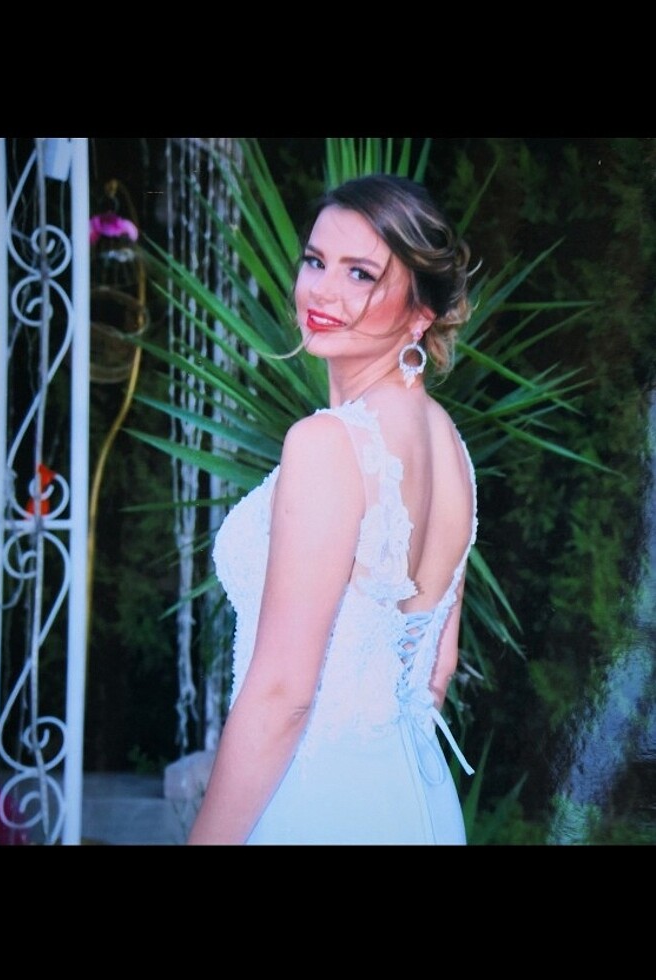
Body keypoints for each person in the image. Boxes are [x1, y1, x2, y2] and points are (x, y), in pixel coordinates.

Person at [187, 173, 477, 845]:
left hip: (314, 803)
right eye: (316, 261)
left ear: (420, 312)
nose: (322, 291)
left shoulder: (326, 445)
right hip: (416, 802)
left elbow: (282, 696)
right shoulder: (450, 446)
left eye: (360, 274)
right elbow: (438, 669)